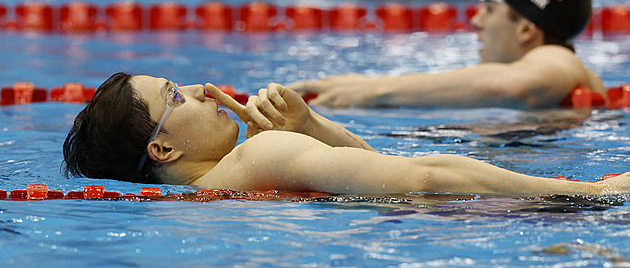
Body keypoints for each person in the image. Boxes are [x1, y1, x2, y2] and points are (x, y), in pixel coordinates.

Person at [62, 72, 630, 196]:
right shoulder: (262, 151)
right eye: (175, 96)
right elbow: (423, 177)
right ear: (162, 148)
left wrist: (309, 127)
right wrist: (589, 195)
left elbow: (377, 177)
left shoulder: (197, 198)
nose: (204, 90)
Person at [290, 0, 606, 109]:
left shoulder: (559, 59)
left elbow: (513, 86)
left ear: (526, 28)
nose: (476, 20)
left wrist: (374, 89)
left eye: (490, 9)